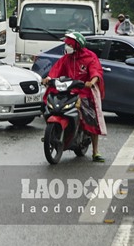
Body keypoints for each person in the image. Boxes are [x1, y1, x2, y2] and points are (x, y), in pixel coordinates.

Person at [40, 31, 106, 162]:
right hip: (67, 90)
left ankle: (95, 151)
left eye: (69, 44)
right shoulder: (66, 58)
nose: (67, 46)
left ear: (77, 45)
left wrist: (91, 82)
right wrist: (48, 78)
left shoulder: (90, 57)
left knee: (90, 117)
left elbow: (96, 71)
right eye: (66, 44)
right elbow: (55, 70)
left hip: (84, 91)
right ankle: (54, 132)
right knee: (49, 104)